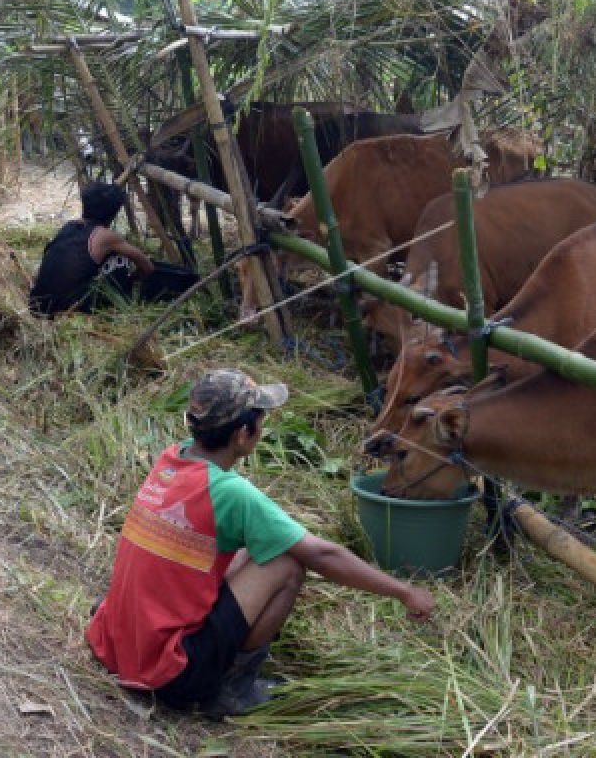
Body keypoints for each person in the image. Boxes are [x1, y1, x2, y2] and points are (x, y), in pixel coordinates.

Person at [85, 369, 435, 717]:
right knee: (286, 564)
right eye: (261, 420)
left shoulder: (172, 460)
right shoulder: (232, 493)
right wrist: (404, 592)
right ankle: (230, 688)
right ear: (243, 434)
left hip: (115, 642)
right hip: (171, 673)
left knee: (252, 545)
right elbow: (323, 555)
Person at [31, 181, 198, 317]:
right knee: (120, 259)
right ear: (114, 212)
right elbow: (147, 266)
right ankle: (118, 301)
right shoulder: (105, 236)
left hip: (38, 303)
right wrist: (133, 279)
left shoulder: (69, 226)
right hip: (65, 309)